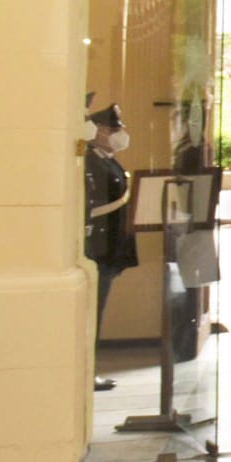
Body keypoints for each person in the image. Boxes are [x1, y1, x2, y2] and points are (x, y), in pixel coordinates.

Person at [83, 98, 138, 393]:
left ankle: (90, 369)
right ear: (100, 130)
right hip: (98, 249)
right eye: (115, 127)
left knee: (97, 312)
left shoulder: (106, 159)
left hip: (109, 249)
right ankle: (86, 372)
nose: (122, 132)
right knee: (92, 314)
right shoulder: (90, 162)